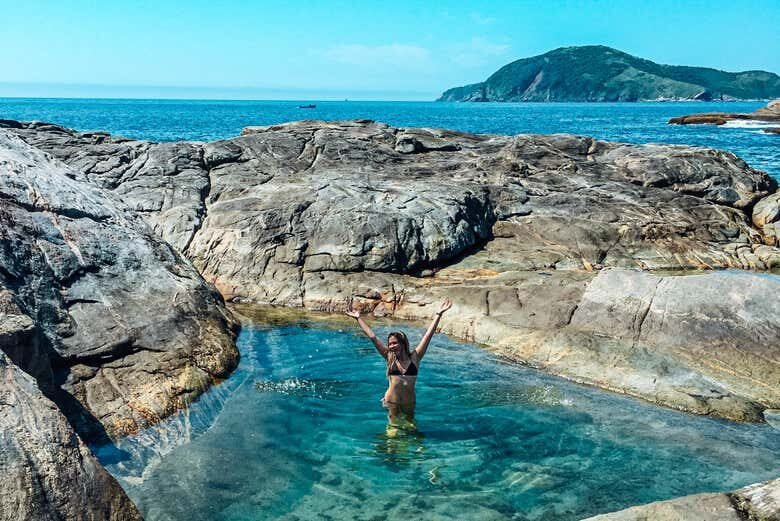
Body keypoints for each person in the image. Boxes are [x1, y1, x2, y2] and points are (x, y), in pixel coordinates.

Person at [345, 299, 453, 427]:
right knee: (392, 432)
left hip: (409, 403)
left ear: (402, 343)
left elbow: (428, 336)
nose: (391, 346)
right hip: (391, 402)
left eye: (394, 343)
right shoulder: (389, 357)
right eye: (390, 343)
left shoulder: (415, 357)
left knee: (412, 429)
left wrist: (438, 314)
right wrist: (358, 318)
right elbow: (372, 336)